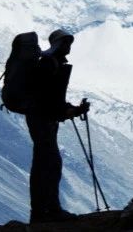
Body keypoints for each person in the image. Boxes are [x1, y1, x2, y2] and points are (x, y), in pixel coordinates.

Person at [25, 28, 90, 223]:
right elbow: (48, 99)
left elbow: (50, 99)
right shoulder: (49, 64)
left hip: (41, 119)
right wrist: (69, 111)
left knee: (43, 164)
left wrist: (70, 110)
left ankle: (41, 212)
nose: (69, 46)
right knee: (49, 164)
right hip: (43, 120)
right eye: (66, 42)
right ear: (58, 44)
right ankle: (48, 211)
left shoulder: (51, 63)